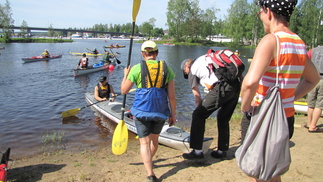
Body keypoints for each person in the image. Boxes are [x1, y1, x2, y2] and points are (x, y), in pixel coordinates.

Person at [240, 0, 320, 181]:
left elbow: (249, 83)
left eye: (259, 12)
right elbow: (313, 79)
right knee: (272, 171)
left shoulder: (271, 40)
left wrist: (245, 109)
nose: (260, 16)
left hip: (264, 116)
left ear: (268, 12)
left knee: (257, 170)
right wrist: (289, 99)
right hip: (286, 118)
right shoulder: (298, 42)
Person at [121, 40, 176, 182]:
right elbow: (171, 96)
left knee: (144, 143)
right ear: (156, 53)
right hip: (160, 112)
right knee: (154, 141)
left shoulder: (137, 68)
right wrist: (173, 115)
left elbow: (123, 90)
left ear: (143, 54)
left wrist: (125, 75)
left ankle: (150, 174)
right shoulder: (167, 69)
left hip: (141, 111)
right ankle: (149, 162)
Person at [180, 53, 242, 160]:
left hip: (221, 87)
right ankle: (222, 151)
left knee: (198, 115)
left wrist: (201, 110)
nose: (187, 74)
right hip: (235, 85)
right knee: (223, 118)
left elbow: (197, 97)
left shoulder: (192, 70)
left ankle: (197, 152)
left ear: (186, 67)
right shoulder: (206, 59)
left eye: (185, 73)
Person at [306, 45, 323, 132]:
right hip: (322, 79)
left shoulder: (313, 50)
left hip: (312, 78)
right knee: (319, 104)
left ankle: (309, 123)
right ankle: (313, 126)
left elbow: (305, 59)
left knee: (311, 102)